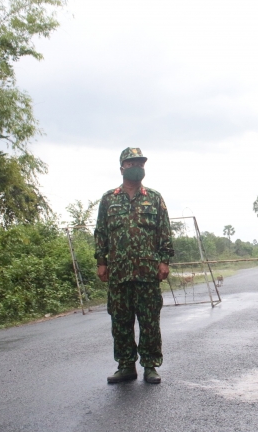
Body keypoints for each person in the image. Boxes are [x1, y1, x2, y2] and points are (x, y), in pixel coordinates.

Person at [94, 147, 174, 384]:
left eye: (140, 163)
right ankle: (126, 365)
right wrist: (101, 262)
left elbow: (164, 231)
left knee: (149, 321)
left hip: (148, 272)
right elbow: (101, 232)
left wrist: (164, 260)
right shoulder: (109, 199)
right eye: (131, 163)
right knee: (120, 321)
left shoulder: (155, 198)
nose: (137, 167)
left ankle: (150, 365)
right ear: (122, 168)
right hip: (119, 272)